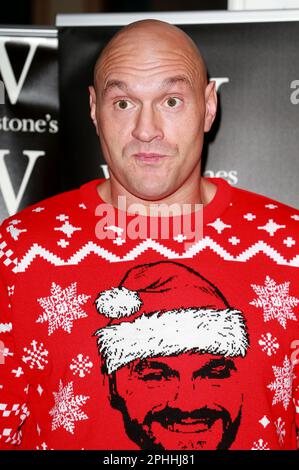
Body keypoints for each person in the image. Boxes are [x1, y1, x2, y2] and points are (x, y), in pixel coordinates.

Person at [0, 19, 298, 451]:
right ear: (93, 108)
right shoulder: (19, 251)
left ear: (209, 105)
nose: (146, 130)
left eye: (172, 100)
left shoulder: (289, 248)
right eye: (123, 103)